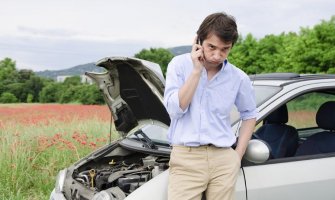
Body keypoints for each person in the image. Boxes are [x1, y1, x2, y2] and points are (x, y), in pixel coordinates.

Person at [163, 12, 258, 200]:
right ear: (199, 40)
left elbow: (250, 114)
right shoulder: (179, 66)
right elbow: (175, 109)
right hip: (186, 158)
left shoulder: (239, 78)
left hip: (223, 159)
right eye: (211, 47)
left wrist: (236, 157)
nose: (217, 55)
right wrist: (196, 71)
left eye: (225, 49)